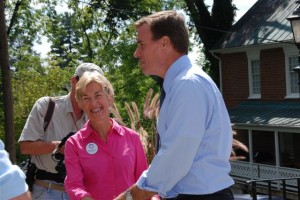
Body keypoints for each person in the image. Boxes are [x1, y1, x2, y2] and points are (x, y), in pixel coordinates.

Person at [114, 10, 235, 200]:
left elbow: (175, 157)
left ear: (164, 43)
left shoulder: (187, 84)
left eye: (141, 45)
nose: (136, 53)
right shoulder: (183, 83)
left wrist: (132, 196)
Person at [64, 71, 158, 200]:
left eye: (98, 95)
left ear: (110, 98)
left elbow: (144, 182)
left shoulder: (132, 137)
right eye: (86, 98)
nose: (93, 103)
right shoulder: (74, 144)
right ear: (80, 104)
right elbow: (74, 186)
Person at [18, 63, 104, 200]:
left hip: (81, 193)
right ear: (73, 81)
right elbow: (25, 147)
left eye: (96, 89)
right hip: (46, 189)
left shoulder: (96, 116)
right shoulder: (46, 106)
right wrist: (61, 146)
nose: (89, 91)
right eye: (85, 84)